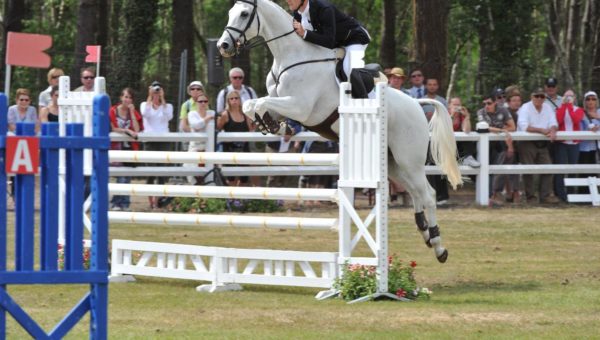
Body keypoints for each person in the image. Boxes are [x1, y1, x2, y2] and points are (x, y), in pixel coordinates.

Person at [287, 0, 371, 81]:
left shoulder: (324, 8)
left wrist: (305, 33)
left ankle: (365, 95)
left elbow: (329, 41)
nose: (287, 0)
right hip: (336, 43)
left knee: (350, 70)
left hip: (355, 38)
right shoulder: (297, 12)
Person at [517, 87, 560, 204]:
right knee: (528, 170)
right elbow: (524, 126)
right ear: (532, 97)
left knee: (548, 168)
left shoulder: (548, 108)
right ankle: (530, 197)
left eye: (542, 96)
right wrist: (541, 130)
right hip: (527, 143)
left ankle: (545, 196)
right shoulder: (525, 108)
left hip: (543, 144)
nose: (539, 98)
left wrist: (552, 130)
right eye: (537, 96)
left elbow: (553, 122)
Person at [477, 92, 516, 205]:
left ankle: (494, 195)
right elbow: (484, 128)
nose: (486, 106)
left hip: (499, 145)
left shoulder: (503, 110)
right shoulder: (481, 112)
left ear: (495, 103)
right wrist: (502, 129)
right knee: (486, 170)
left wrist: (499, 129)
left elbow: (512, 127)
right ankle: (488, 196)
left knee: (498, 170)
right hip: (485, 146)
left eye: (489, 103)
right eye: (484, 103)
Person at [140, 81, 173, 210]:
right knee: (151, 172)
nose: (157, 91)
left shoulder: (168, 106)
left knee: (161, 172)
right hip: (150, 141)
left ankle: (159, 201)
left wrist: (162, 98)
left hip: (163, 141)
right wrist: (150, 97)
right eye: (154, 89)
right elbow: (145, 114)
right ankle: (151, 202)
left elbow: (168, 116)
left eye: (159, 89)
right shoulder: (145, 104)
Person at [109, 88, 143, 211]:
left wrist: (132, 113)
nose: (127, 99)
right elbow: (113, 128)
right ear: (121, 97)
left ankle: (125, 203)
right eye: (125, 97)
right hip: (115, 147)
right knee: (119, 175)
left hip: (129, 148)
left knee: (126, 176)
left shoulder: (134, 112)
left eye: (129, 97)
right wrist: (127, 131)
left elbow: (137, 129)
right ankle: (117, 202)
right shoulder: (113, 110)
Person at [216, 90, 254, 186]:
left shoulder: (245, 114)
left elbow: (251, 129)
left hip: (244, 148)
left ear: (240, 100)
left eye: (236, 98)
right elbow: (218, 128)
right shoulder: (225, 114)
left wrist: (255, 122)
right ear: (228, 101)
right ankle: (231, 199)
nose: (234, 100)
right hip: (229, 149)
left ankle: (238, 199)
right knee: (231, 177)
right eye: (231, 98)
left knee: (244, 178)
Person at [552, 89, 584, 202]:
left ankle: (571, 194)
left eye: (571, 96)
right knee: (560, 169)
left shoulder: (579, 110)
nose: (568, 98)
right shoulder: (559, 109)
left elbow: (576, 120)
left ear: (575, 98)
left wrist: (569, 106)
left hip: (574, 144)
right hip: (562, 143)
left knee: (572, 169)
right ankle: (560, 195)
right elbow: (559, 121)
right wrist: (564, 106)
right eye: (566, 96)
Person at [185, 93, 215, 185]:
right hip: (195, 148)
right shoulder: (192, 114)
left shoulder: (212, 112)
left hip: (208, 148)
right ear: (196, 103)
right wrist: (208, 118)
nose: (203, 103)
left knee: (208, 175)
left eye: (205, 101)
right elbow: (196, 125)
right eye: (200, 101)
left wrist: (207, 118)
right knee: (193, 175)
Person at [578, 91, 600, 194]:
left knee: (595, 171)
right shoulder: (580, 112)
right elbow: (577, 128)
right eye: (588, 99)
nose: (591, 101)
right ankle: (583, 196)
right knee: (584, 171)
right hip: (584, 146)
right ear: (584, 101)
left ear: (597, 101)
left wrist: (597, 117)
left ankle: (596, 195)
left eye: (593, 99)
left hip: (597, 147)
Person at [448, 97, 479, 168]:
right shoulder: (445, 114)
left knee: (467, 137)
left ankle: (468, 158)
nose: (456, 107)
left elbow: (467, 130)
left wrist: (467, 117)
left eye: (458, 105)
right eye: (454, 104)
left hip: (458, 144)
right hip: (447, 143)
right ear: (449, 106)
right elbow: (445, 128)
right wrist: (452, 116)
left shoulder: (461, 115)